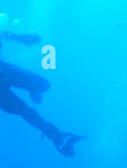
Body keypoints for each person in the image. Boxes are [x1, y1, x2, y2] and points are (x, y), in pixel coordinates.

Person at [0, 29, 84, 157]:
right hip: (4, 74)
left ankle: (56, 135)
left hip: (4, 72)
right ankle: (56, 135)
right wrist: (20, 37)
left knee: (41, 87)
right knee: (24, 109)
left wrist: (20, 37)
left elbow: (3, 31)